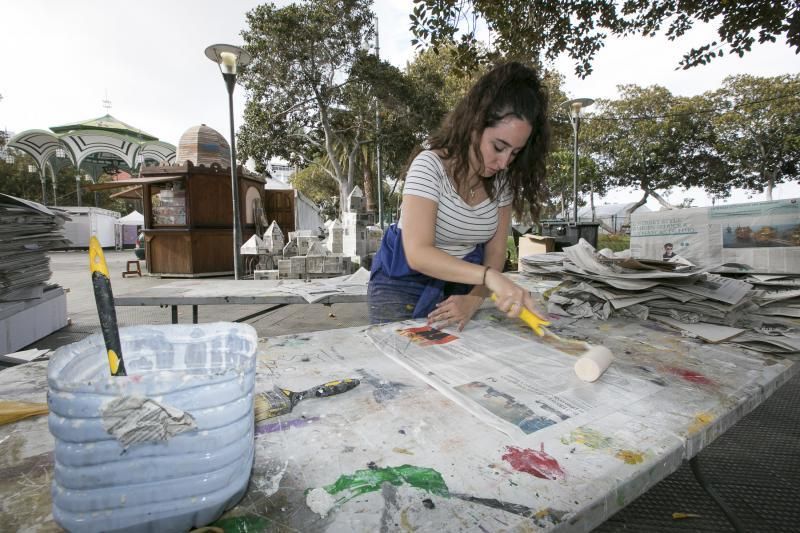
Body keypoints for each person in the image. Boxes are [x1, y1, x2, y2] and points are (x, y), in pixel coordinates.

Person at [368, 62, 550, 330]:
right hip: (402, 281)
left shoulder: (501, 184)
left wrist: (473, 299)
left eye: (514, 153)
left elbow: (496, 252)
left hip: (463, 285)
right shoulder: (428, 166)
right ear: (474, 124)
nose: (504, 163)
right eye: (499, 147)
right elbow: (418, 253)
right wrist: (489, 279)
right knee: (401, 362)